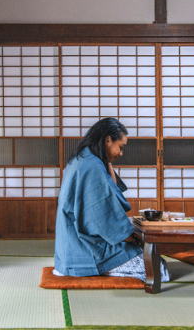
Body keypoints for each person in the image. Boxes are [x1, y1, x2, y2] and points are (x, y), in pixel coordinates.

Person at [53, 118, 169, 282]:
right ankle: (98, 269)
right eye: (121, 147)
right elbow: (103, 215)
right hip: (86, 250)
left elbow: (108, 196)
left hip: (69, 246)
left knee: (147, 254)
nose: (121, 153)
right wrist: (132, 239)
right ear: (108, 140)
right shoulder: (93, 167)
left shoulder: (84, 158)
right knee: (159, 269)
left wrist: (107, 161)